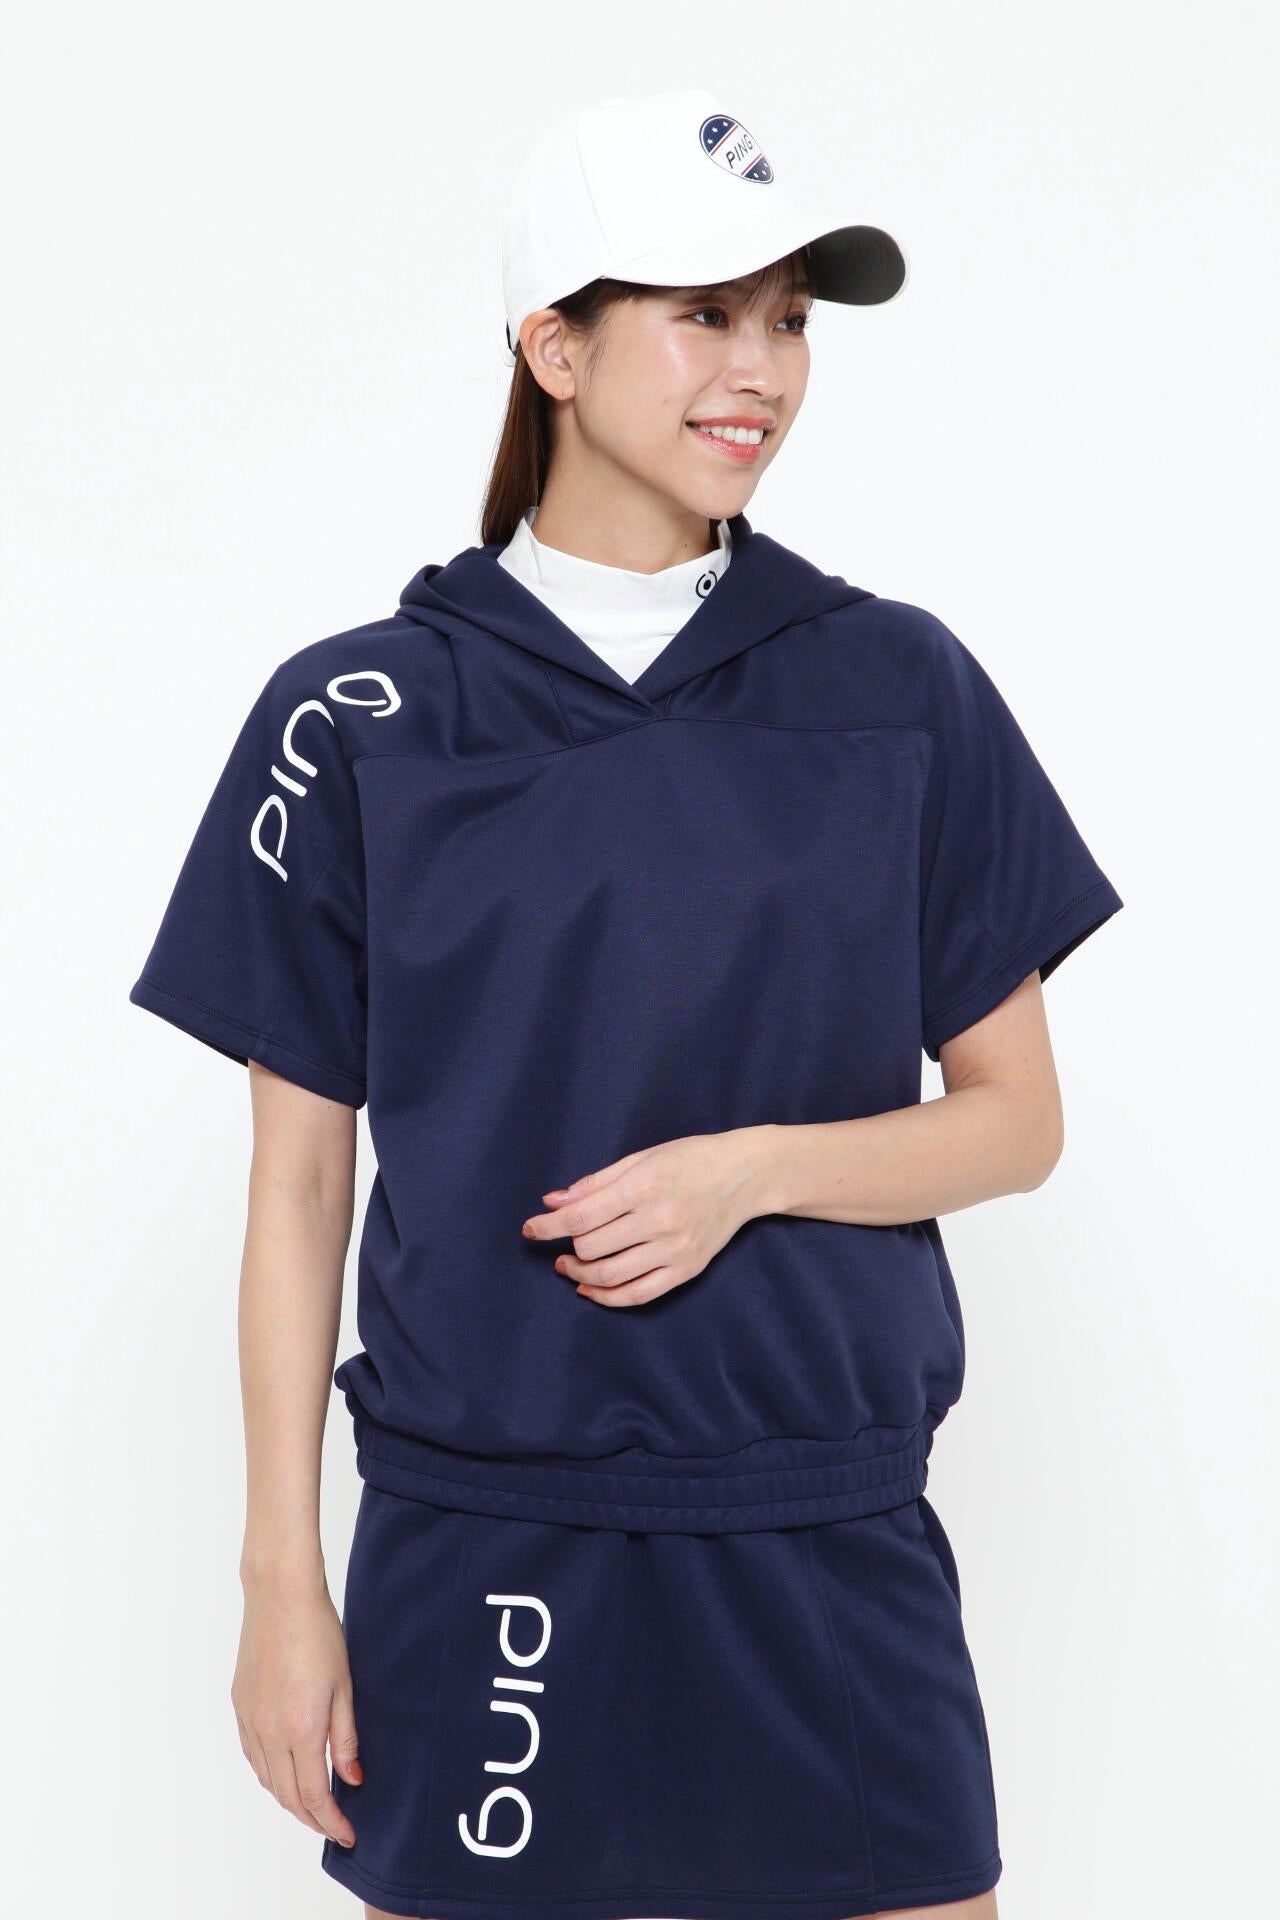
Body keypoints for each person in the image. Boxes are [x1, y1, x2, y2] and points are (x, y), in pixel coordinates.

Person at [127, 85, 1124, 1920]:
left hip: (824, 1541)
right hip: (483, 1542)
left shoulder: (895, 686)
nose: (762, 371)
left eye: (790, 321)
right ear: (555, 347)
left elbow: (1018, 1122)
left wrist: (750, 1173)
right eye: (704, 313)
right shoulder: (360, 717)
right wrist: (281, 1579)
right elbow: (298, 1185)